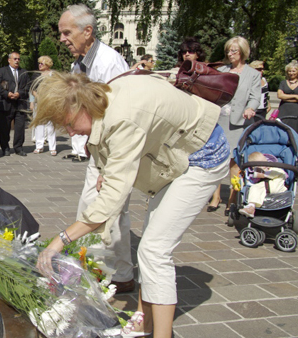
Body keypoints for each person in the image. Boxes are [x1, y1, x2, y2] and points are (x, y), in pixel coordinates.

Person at [33, 71, 230, 338]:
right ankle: (143, 321)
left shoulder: (122, 116)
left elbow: (111, 199)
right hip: (175, 152)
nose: (71, 133)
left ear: (80, 104)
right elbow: (115, 151)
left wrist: (59, 241)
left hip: (200, 154)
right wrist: (107, 171)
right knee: (150, 245)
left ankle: (162, 335)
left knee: (154, 250)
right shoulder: (102, 98)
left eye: (68, 123)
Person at [57, 4, 134, 293]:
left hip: (115, 149)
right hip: (99, 148)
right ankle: (118, 273)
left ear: (87, 31)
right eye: (61, 33)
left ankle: (104, 273)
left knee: (104, 210)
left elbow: (119, 116)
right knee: (100, 209)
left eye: (67, 32)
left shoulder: (109, 63)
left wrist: (107, 164)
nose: (63, 38)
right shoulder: (81, 63)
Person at [208, 36, 261, 213]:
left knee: (235, 162)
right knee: (217, 159)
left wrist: (251, 108)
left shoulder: (253, 74)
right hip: (220, 120)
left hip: (239, 123)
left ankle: (233, 197)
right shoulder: (222, 70)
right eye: (228, 51)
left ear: (243, 53)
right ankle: (215, 197)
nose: (230, 54)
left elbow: (255, 97)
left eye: (234, 51)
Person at [0, 52, 30, 157]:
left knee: (20, 127)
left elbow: (27, 87)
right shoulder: (2, 71)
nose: (17, 61)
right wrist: (7, 94)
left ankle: (18, 147)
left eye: (18, 59)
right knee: (4, 127)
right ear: (9, 60)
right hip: (6, 103)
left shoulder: (24, 72)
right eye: (15, 59)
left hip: (20, 103)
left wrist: (19, 93)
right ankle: (5, 148)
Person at [238, 152, 287, 218]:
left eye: (265, 162)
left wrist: (266, 173)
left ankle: (266, 174)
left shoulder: (273, 168)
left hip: (278, 186)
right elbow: (250, 183)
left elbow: (285, 176)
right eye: (260, 165)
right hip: (263, 188)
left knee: (280, 172)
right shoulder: (254, 175)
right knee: (254, 188)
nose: (265, 165)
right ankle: (250, 208)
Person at [33, 56, 57, 156]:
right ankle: (39, 146)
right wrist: (36, 98)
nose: (39, 65)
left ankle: (53, 147)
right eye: (39, 63)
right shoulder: (36, 74)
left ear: (47, 64)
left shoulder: (53, 74)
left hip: (50, 101)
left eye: (41, 63)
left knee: (51, 125)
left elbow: (56, 88)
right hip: (38, 102)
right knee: (39, 124)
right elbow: (32, 88)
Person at [277, 60, 298, 133]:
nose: (291, 73)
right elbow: (279, 95)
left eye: (293, 71)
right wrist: (295, 97)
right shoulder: (283, 83)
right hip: (284, 110)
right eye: (289, 71)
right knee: (282, 129)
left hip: (296, 110)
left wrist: (285, 97)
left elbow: (283, 96)